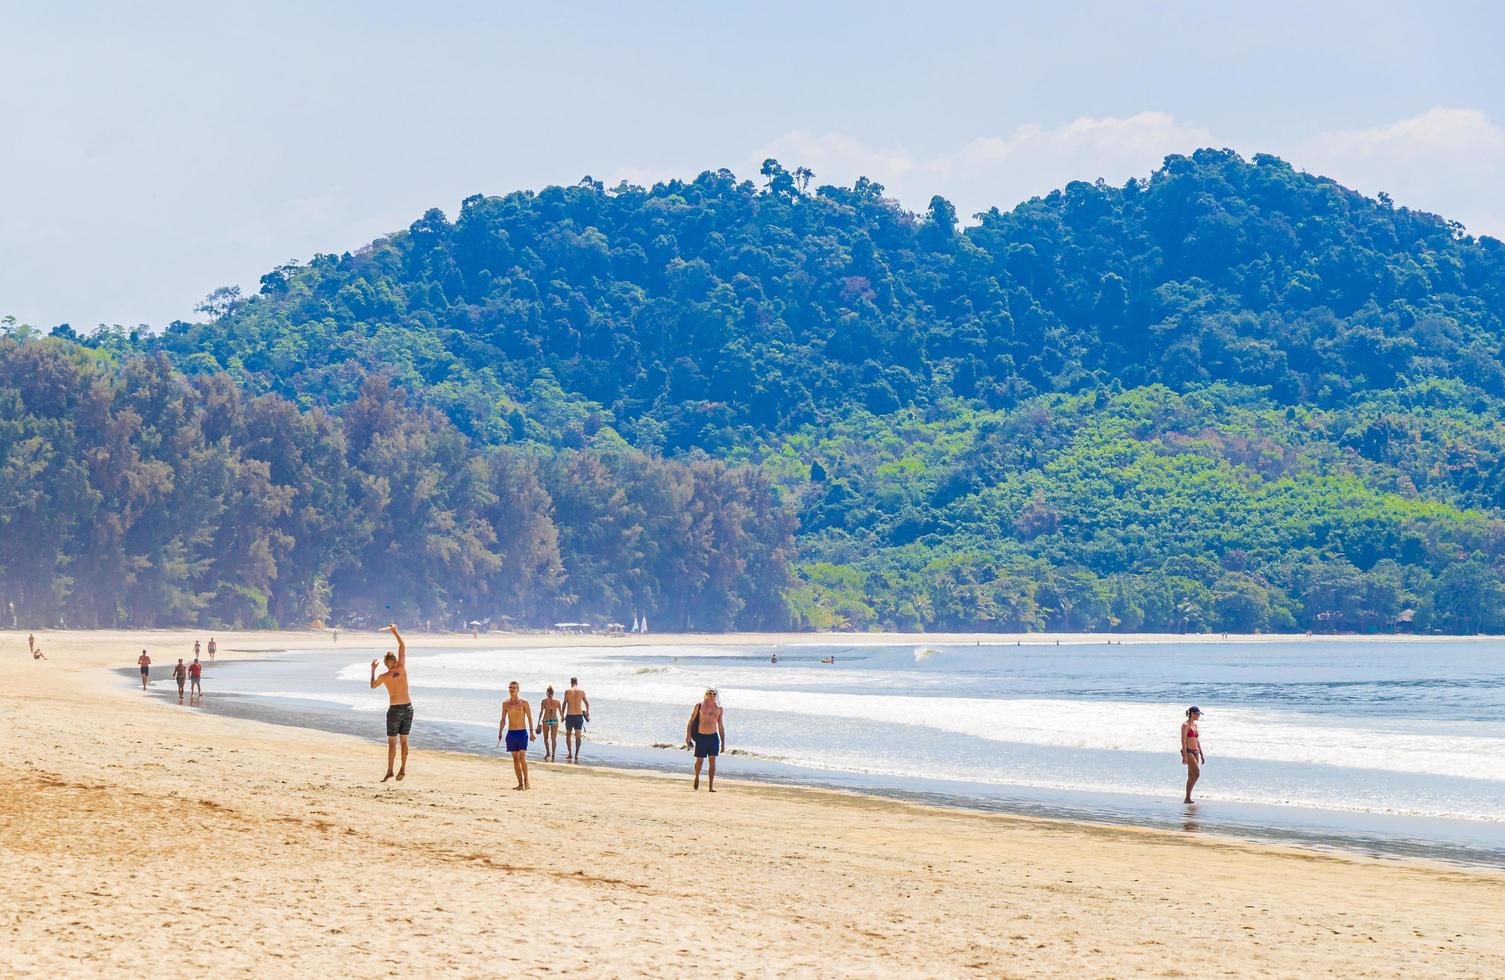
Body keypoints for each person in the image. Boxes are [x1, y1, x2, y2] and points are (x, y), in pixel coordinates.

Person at [368, 624, 411, 782]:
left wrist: (372, 670)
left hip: (394, 710)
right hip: (408, 708)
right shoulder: (401, 667)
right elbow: (402, 645)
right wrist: (395, 632)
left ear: (386, 664)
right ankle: (403, 769)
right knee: (404, 741)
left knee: (392, 742)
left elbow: (372, 686)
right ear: (396, 660)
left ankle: (390, 770)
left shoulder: (384, 676)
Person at [684, 688, 727, 792]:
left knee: (712, 761)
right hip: (701, 737)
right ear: (706, 694)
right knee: (699, 761)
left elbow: (720, 726)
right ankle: (697, 777)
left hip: (713, 738)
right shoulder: (699, 706)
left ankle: (710, 786)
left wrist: (723, 742)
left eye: (713, 693)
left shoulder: (719, 709)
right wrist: (688, 735)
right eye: (709, 693)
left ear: (716, 695)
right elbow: (691, 721)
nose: (711, 695)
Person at [498, 681, 535, 789]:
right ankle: (520, 784)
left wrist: (532, 732)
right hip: (511, 733)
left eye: (514, 687)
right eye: (510, 687)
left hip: (522, 733)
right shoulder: (505, 703)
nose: (512, 689)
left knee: (522, 757)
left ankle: (526, 781)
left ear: (518, 689)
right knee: (515, 760)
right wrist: (500, 732)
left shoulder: (524, 702)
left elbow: (529, 718)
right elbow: (503, 719)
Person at [562, 677, 590, 764]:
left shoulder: (567, 691)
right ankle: (576, 754)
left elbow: (564, 703)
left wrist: (562, 715)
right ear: (577, 682)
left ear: (571, 682)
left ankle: (570, 754)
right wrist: (587, 712)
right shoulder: (581, 691)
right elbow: (587, 703)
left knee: (568, 736)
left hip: (569, 716)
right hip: (578, 716)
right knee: (578, 737)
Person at [1181, 706, 1205, 804]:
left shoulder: (1195, 725)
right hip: (1188, 750)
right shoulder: (1185, 725)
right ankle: (1187, 797)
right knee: (1196, 773)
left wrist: (1202, 754)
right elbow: (1183, 740)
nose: (1199, 716)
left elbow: (1197, 740)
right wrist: (1185, 756)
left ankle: (1188, 797)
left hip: (1196, 751)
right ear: (1193, 714)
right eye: (1198, 714)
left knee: (1191, 774)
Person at [536, 685, 562, 762]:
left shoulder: (544, 701)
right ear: (553, 693)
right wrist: (563, 718)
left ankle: (548, 753)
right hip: (554, 720)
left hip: (546, 720)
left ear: (547, 693)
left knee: (546, 738)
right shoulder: (557, 702)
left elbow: (541, 712)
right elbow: (561, 713)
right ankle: (553, 754)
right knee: (553, 739)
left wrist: (538, 722)